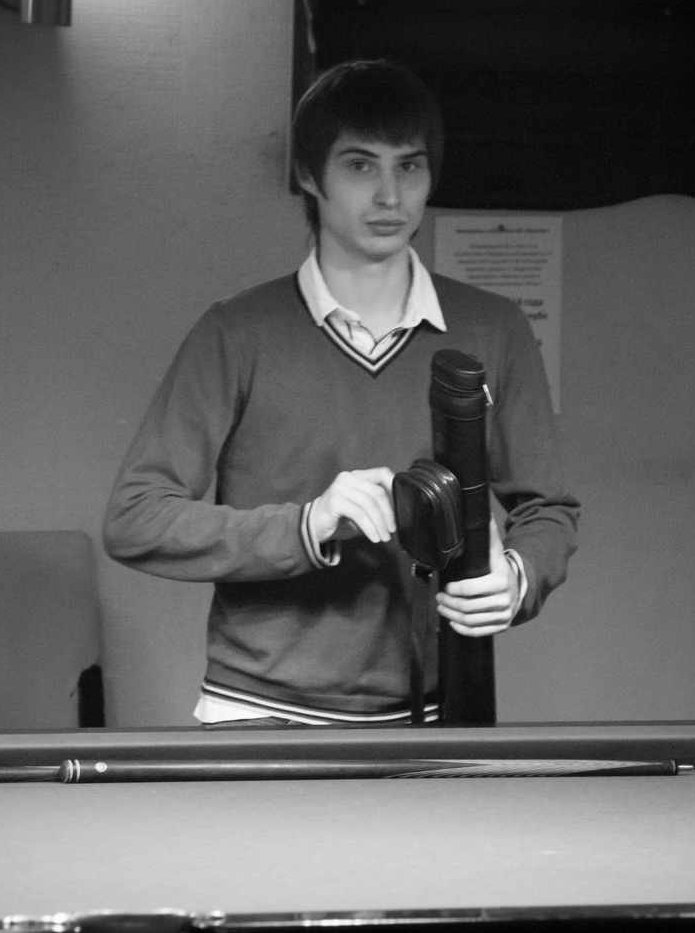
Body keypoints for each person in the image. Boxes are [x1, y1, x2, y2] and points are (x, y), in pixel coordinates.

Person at [103, 59, 578, 726]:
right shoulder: (236, 332)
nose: (390, 195)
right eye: (360, 165)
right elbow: (135, 519)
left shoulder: (493, 328)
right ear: (307, 174)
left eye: (409, 166)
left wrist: (519, 577)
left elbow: (549, 509)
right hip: (257, 713)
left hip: (435, 712)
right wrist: (309, 523)